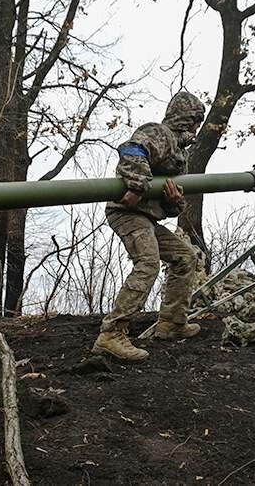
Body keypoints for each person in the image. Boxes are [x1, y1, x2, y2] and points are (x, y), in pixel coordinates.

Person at [91, 92, 206, 361]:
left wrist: (174, 202)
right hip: (126, 212)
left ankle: (171, 324)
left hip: (147, 217)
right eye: (194, 121)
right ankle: (111, 334)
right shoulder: (158, 133)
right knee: (148, 262)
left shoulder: (180, 153)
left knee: (185, 257)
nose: (196, 128)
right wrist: (139, 185)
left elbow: (169, 206)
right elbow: (132, 150)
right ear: (185, 119)